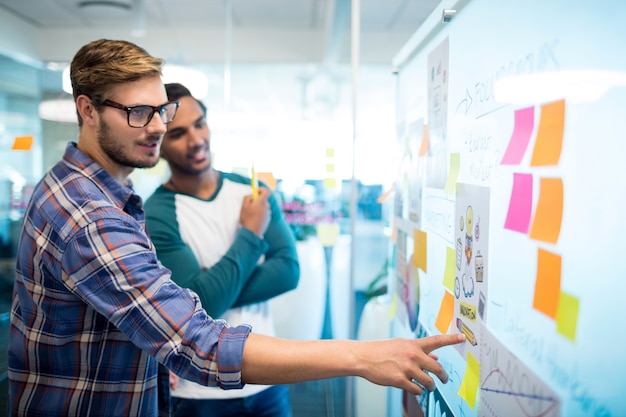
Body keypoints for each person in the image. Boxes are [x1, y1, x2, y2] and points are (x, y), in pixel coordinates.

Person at [8, 38, 465, 417]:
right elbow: (198, 336)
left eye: (160, 111)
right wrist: (363, 356)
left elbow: (285, 272)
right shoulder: (93, 216)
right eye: (137, 113)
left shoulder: (99, 195)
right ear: (87, 110)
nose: (157, 129)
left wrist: (199, 296)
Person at [144, 82, 299, 417]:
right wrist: (250, 233)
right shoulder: (156, 213)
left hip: (268, 381)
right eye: (179, 133)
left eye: (200, 124)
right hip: (200, 393)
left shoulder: (252, 192)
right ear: (159, 144)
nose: (197, 139)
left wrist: (201, 295)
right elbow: (207, 300)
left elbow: (288, 271)